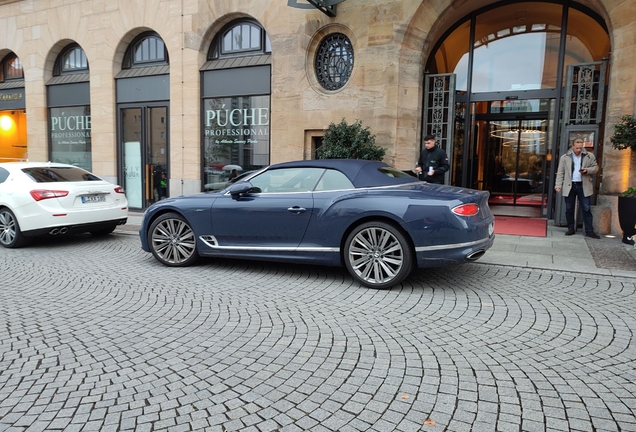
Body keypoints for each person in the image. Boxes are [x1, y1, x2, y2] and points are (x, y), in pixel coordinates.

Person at [555, 138, 600, 238]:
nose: (579, 150)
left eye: (580, 148)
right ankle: (571, 228)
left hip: (583, 185)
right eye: (577, 148)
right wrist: (558, 185)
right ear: (572, 146)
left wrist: (587, 170)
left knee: (586, 208)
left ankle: (589, 231)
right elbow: (560, 172)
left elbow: (596, 168)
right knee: (569, 208)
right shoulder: (565, 157)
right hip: (570, 185)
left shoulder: (589, 156)